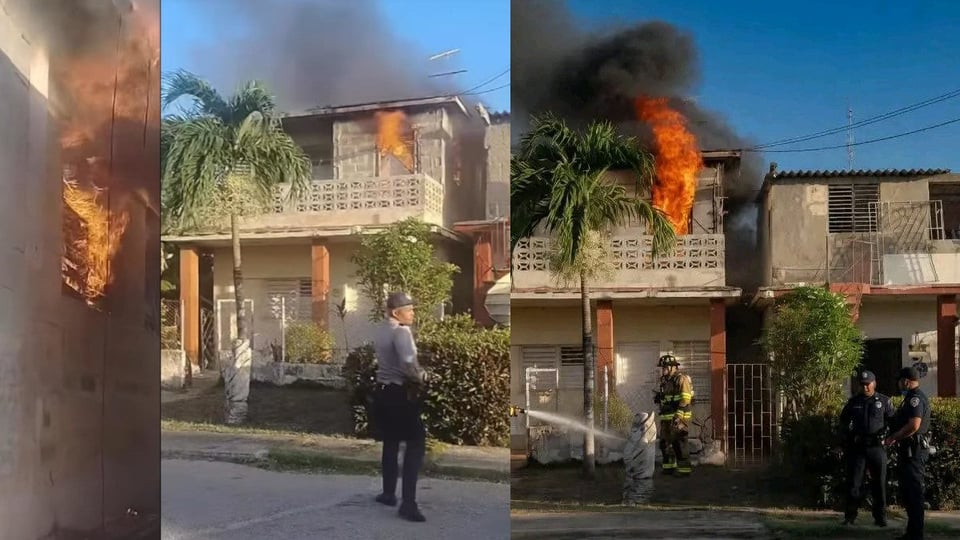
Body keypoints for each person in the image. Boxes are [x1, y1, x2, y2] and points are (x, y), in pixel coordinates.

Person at [372, 292, 427, 522]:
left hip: (383, 392)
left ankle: (388, 493)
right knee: (416, 444)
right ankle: (408, 504)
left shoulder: (382, 330)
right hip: (400, 394)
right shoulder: (401, 332)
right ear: (397, 313)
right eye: (409, 309)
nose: (413, 312)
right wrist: (423, 376)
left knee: (391, 442)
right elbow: (407, 366)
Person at [837, 370, 895, 527]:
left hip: (877, 448)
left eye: (868, 384)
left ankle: (880, 518)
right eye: (862, 384)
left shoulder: (884, 401)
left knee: (879, 484)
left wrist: (888, 436)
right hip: (858, 448)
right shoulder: (853, 402)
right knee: (854, 483)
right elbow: (843, 422)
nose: (865, 387)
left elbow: (893, 422)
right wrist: (846, 440)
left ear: (874, 383)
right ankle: (850, 517)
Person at [884, 366, 932, 540]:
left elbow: (914, 425)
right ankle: (912, 532)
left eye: (899, 380)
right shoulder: (910, 398)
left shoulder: (916, 399)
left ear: (906, 381)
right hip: (909, 451)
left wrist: (893, 437)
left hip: (915, 452)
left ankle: (916, 534)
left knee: (914, 491)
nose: (898, 384)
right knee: (908, 492)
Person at [655, 354, 694, 476]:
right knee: (664, 444)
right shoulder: (666, 381)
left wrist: (678, 416)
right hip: (666, 418)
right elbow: (668, 397)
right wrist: (659, 397)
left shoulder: (681, 379)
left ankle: (684, 470)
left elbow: (685, 398)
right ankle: (669, 468)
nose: (663, 370)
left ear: (673, 367)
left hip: (679, 417)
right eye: (663, 367)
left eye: (665, 367)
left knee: (679, 443)